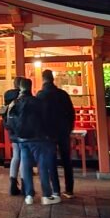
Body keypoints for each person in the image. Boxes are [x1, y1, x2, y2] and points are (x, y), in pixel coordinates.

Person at [6, 78, 59, 206]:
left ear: (20, 87)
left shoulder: (15, 103)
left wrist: (16, 133)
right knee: (42, 166)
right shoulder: (38, 102)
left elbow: (9, 121)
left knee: (26, 166)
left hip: (22, 139)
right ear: (31, 87)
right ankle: (46, 195)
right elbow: (46, 120)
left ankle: (29, 195)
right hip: (38, 139)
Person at [35, 68, 76, 198]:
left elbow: (38, 116)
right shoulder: (63, 94)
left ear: (43, 80)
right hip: (63, 131)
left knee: (51, 161)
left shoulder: (41, 95)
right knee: (66, 160)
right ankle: (69, 189)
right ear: (53, 79)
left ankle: (55, 190)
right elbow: (71, 113)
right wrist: (69, 128)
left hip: (48, 133)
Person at [3, 76, 22, 195]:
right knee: (24, 156)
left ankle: (13, 183)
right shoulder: (23, 97)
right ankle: (26, 184)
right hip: (23, 129)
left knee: (16, 155)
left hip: (11, 128)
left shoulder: (7, 95)